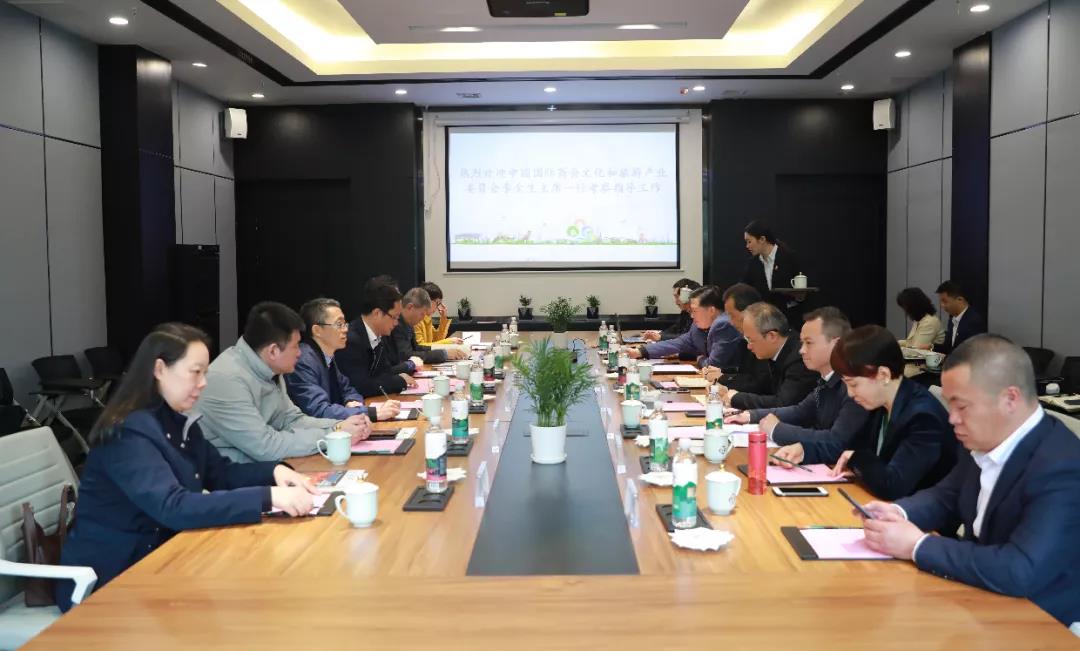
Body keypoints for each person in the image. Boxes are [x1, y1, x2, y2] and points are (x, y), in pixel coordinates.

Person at [56, 324, 320, 611]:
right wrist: (267, 497)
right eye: (195, 372)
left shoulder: (178, 420)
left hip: (164, 559)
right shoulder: (128, 432)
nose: (203, 383)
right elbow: (174, 506)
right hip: (111, 578)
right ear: (160, 369)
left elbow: (221, 474)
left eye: (204, 372)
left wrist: (275, 472)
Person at [857, 335, 1080, 628]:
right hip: (982, 597)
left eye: (961, 407)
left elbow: (1019, 569)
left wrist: (917, 545)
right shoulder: (985, 438)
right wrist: (899, 512)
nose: (952, 419)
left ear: (1010, 399)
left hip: (1043, 621)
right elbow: (946, 496)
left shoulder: (1061, 467)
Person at [772, 325, 956, 500]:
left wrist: (855, 459)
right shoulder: (880, 401)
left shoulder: (922, 417)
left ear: (883, 375)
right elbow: (846, 445)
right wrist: (804, 450)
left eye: (853, 384)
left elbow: (893, 484)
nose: (851, 394)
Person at [199, 302, 370, 463]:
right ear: (273, 351)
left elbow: (291, 419)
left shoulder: (269, 367)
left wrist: (341, 425)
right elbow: (266, 446)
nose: (299, 353)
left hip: (268, 465)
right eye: (295, 346)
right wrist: (334, 434)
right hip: (232, 475)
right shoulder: (227, 380)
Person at [726, 307, 870, 448]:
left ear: (836, 344)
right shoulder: (826, 380)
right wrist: (750, 415)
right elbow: (799, 411)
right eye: (802, 343)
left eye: (809, 343)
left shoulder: (854, 385)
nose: (801, 350)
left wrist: (777, 430)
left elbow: (835, 441)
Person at [285, 297, 400, 422]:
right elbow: (318, 410)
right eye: (339, 324)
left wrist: (352, 401)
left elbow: (348, 389)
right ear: (317, 330)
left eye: (345, 324)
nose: (345, 329)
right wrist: (372, 412)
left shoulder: (327, 356)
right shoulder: (302, 361)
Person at [717, 302, 817, 410]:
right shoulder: (772, 351)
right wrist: (728, 388)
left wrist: (736, 398)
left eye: (751, 340)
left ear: (772, 336)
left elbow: (783, 403)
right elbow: (760, 386)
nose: (748, 346)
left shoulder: (799, 358)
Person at [337, 280, 420, 396]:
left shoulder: (379, 335)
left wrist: (395, 377)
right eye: (394, 317)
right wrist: (398, 380)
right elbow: (360, 386)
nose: (396, 323)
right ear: (377, 313)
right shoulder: (350, 340)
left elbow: (384, 373)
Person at [628, 286, 739, 368]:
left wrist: (700, 359)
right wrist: (640, 351)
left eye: (695, 311)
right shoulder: (697, 327)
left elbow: (712, 366)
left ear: (711, 310)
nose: (691, 316)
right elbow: (678, 343)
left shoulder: (724, 325)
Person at [702, 283, 770, 393]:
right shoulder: (744, 338)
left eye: (732, 315)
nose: (731, 322)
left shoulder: (765, 337)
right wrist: (720, 372)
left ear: (749, 311)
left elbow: (759, 383)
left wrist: (723, 377)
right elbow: (743, 371)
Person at [740, 220, 801, 321]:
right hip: (764, 320)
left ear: (762, 239)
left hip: (790, 318)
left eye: (749, 241)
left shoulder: (788, 257)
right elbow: (744, 288)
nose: (747, 246)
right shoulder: (753, 263)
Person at [392, 287, 468, 365]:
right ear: (410, 307)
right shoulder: (398, 324)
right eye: (422, 314)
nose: (423, 318)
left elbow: (417, 348)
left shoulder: (409, 322)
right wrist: (444, 353)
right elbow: (406, 355)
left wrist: (445, 351)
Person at [934, 280, 987, 354]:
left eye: (945, 301)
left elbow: (971, 353)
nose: (942, 305)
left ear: (960, 300)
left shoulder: (974, 322)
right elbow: (949, 347)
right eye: (941, 302)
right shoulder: (952, 320)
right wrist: (931, 347)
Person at [641, 278, 701, 342]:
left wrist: (661, 337)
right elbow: (675, 328)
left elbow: (689, 337)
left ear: (688, 296)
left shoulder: (700, 315)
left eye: (677, 297)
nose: (676, 302)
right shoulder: (685, 312)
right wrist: (658, 334)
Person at [415, 281, 464, 346]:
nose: (438, 307)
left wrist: (443, 318)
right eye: (437, 303)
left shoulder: (426, 317)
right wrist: (449, 341)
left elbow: (437, 339)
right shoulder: (415, 319)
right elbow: (421, 347)